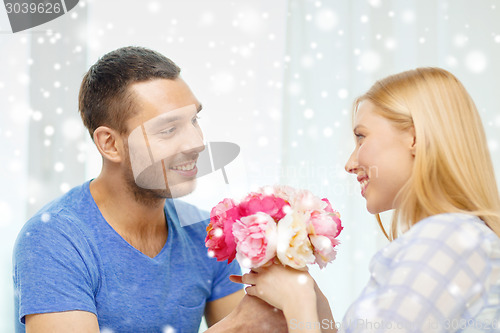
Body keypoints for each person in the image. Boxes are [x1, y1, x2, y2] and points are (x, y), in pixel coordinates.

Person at [234, 67, 500, 332]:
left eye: (361, 137)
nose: (350, 164)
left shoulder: (447, 239)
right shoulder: (455, 239)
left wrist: (298, 302)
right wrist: (317, 308)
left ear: (415, 137)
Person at [13, 46, 248, 332]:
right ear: (110, 144)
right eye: (168, 130)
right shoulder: (54, 239)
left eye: (194, 120)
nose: (196, 143)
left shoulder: (204, 233)